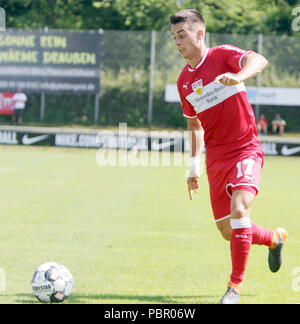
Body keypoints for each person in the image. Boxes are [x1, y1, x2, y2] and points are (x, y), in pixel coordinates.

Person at [170, 9, 287, 304]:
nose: (177, 43)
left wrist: (239, 76)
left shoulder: (222, 55)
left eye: (181, 35)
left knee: (239, 212)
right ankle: (274, 238)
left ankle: (234, 287)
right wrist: (193, 167)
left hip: (246, 148)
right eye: (173, 37)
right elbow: (194, 125)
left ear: (199, 34)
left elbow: (258, 60)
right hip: (216, 158)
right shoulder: (184, 81)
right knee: (229, 231)